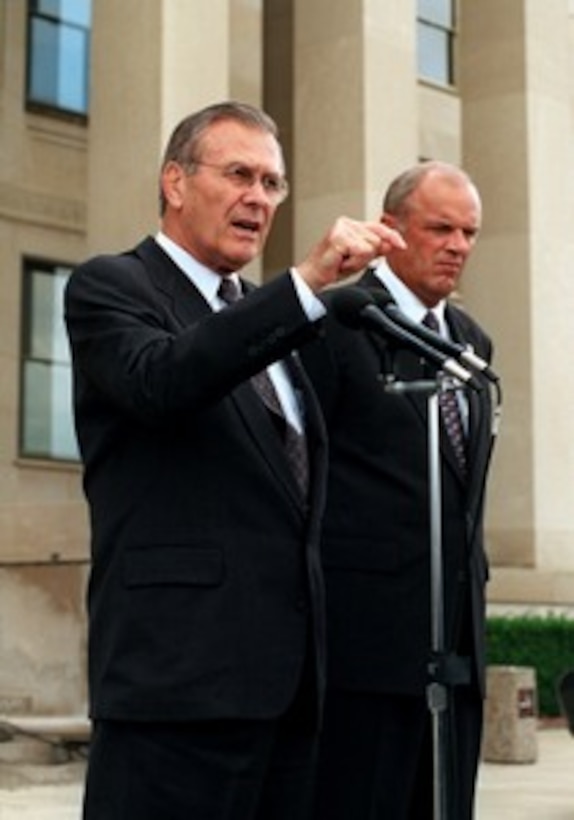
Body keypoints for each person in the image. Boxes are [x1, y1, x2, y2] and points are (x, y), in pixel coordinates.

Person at [64, 100, 404, 820]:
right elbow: (163, 381)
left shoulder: (278, 322)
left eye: (273, 183)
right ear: (176, 183)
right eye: (239, 174)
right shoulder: (112, 287)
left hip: (286, 700)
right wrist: (305, 284)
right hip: (175, 694)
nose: (259, 197)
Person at [300, 161, 497, 819]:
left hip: (457, 647)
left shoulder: (471, 343)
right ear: (390, 230)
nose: (458, 246)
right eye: (440, 228)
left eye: (469, 232)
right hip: (365, 652)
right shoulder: (335, 324)